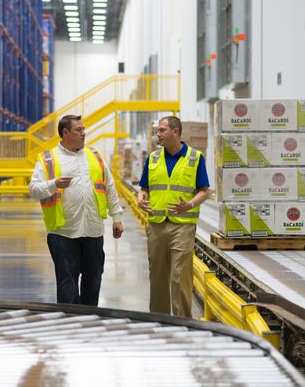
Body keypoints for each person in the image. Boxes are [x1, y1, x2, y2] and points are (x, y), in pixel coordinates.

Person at [29, 114, 124, 306]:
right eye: (79, 130)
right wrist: (53, 184)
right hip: (63, 232)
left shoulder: (95, 156)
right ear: (65, 133)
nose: (84, 133)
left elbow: (109, 186)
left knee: (93, 281)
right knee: (67, 285)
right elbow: (34, 190)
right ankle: (69, 324)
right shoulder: (49, 159)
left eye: (83, 129)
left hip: (93, 230)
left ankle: (89, 322)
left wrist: (117, 217)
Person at [137, 116, 210, 317]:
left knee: (179, 277)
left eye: (162, 130)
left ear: (175, 131)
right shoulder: (152, 158)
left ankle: (183, 323)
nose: (158, 134)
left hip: (183, 226)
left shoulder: (195, 158)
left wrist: (190, 204)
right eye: (158, 131)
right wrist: (140, 198)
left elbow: (205, 190)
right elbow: (144, 188)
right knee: (158, 277)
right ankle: (159, 321)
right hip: (156, 225)